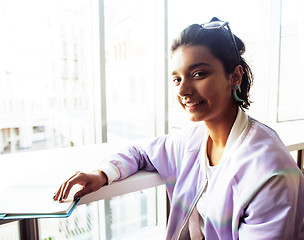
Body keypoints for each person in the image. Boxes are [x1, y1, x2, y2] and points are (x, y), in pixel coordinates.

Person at [54, 17, 304, 239]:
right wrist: (103, 174)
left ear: (234, 77)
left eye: (198, 74)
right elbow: (142, 152)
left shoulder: (270, 174)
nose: (183, 90)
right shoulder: (193, 141)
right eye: (177, 79)